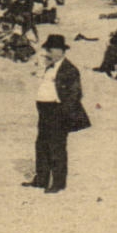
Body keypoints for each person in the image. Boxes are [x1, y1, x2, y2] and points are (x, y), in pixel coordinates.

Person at [24, 35, 90, 194]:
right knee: (42, 145)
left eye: (51, 50)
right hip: (45, 111)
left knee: (56, 147)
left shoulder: (69, 69)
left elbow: (75, 94)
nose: (49, 53)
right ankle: (41, 179)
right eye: (48, 50)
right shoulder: (49, 67)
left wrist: (62, 113)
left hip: (58, 112)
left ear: (61, 51)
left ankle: (58, 183)